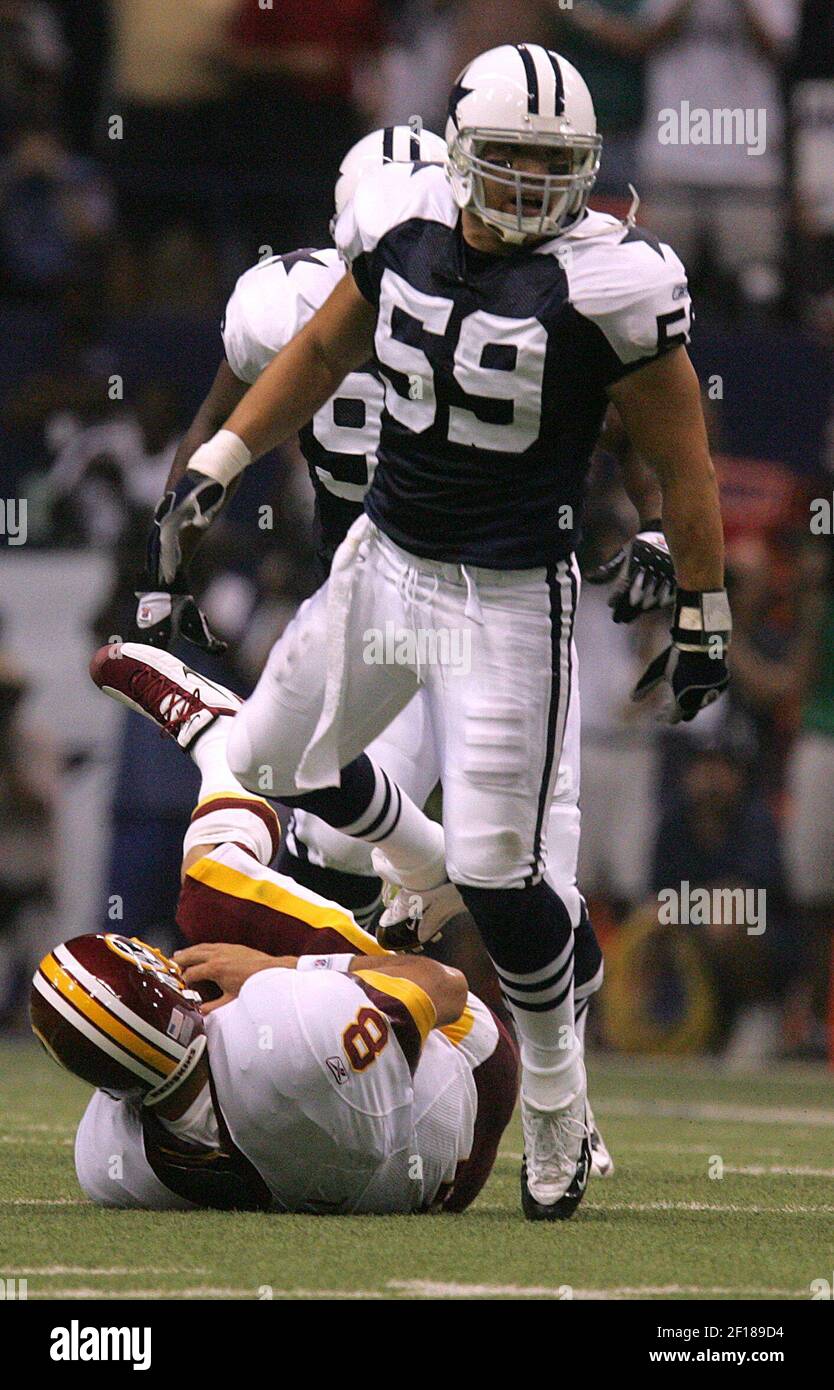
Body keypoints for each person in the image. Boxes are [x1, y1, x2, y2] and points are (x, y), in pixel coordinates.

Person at [144, 43, 729, 1219]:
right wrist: (221, 457)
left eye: (551, 166)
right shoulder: (402, 226)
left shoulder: (613, 284)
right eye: (506, 159)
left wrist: (703, 605)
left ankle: (558, 1105)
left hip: (513, 594)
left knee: (502, 874)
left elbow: (681, 458)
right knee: (260, 767)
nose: (525, 185)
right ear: (458, 154)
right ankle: (420, 866)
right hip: (381, 566)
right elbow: (317, 352)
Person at [30, 639, 518, 1216]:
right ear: (182, 1008)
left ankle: (367, 864)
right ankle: (222, 740)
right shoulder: (289, 1031)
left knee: (326, 859)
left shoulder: (107, 1164)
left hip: (423, 1185)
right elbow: (446, 986)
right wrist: (281, 969)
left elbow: (152, 1061)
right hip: (471, 1072)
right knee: (212, 896)